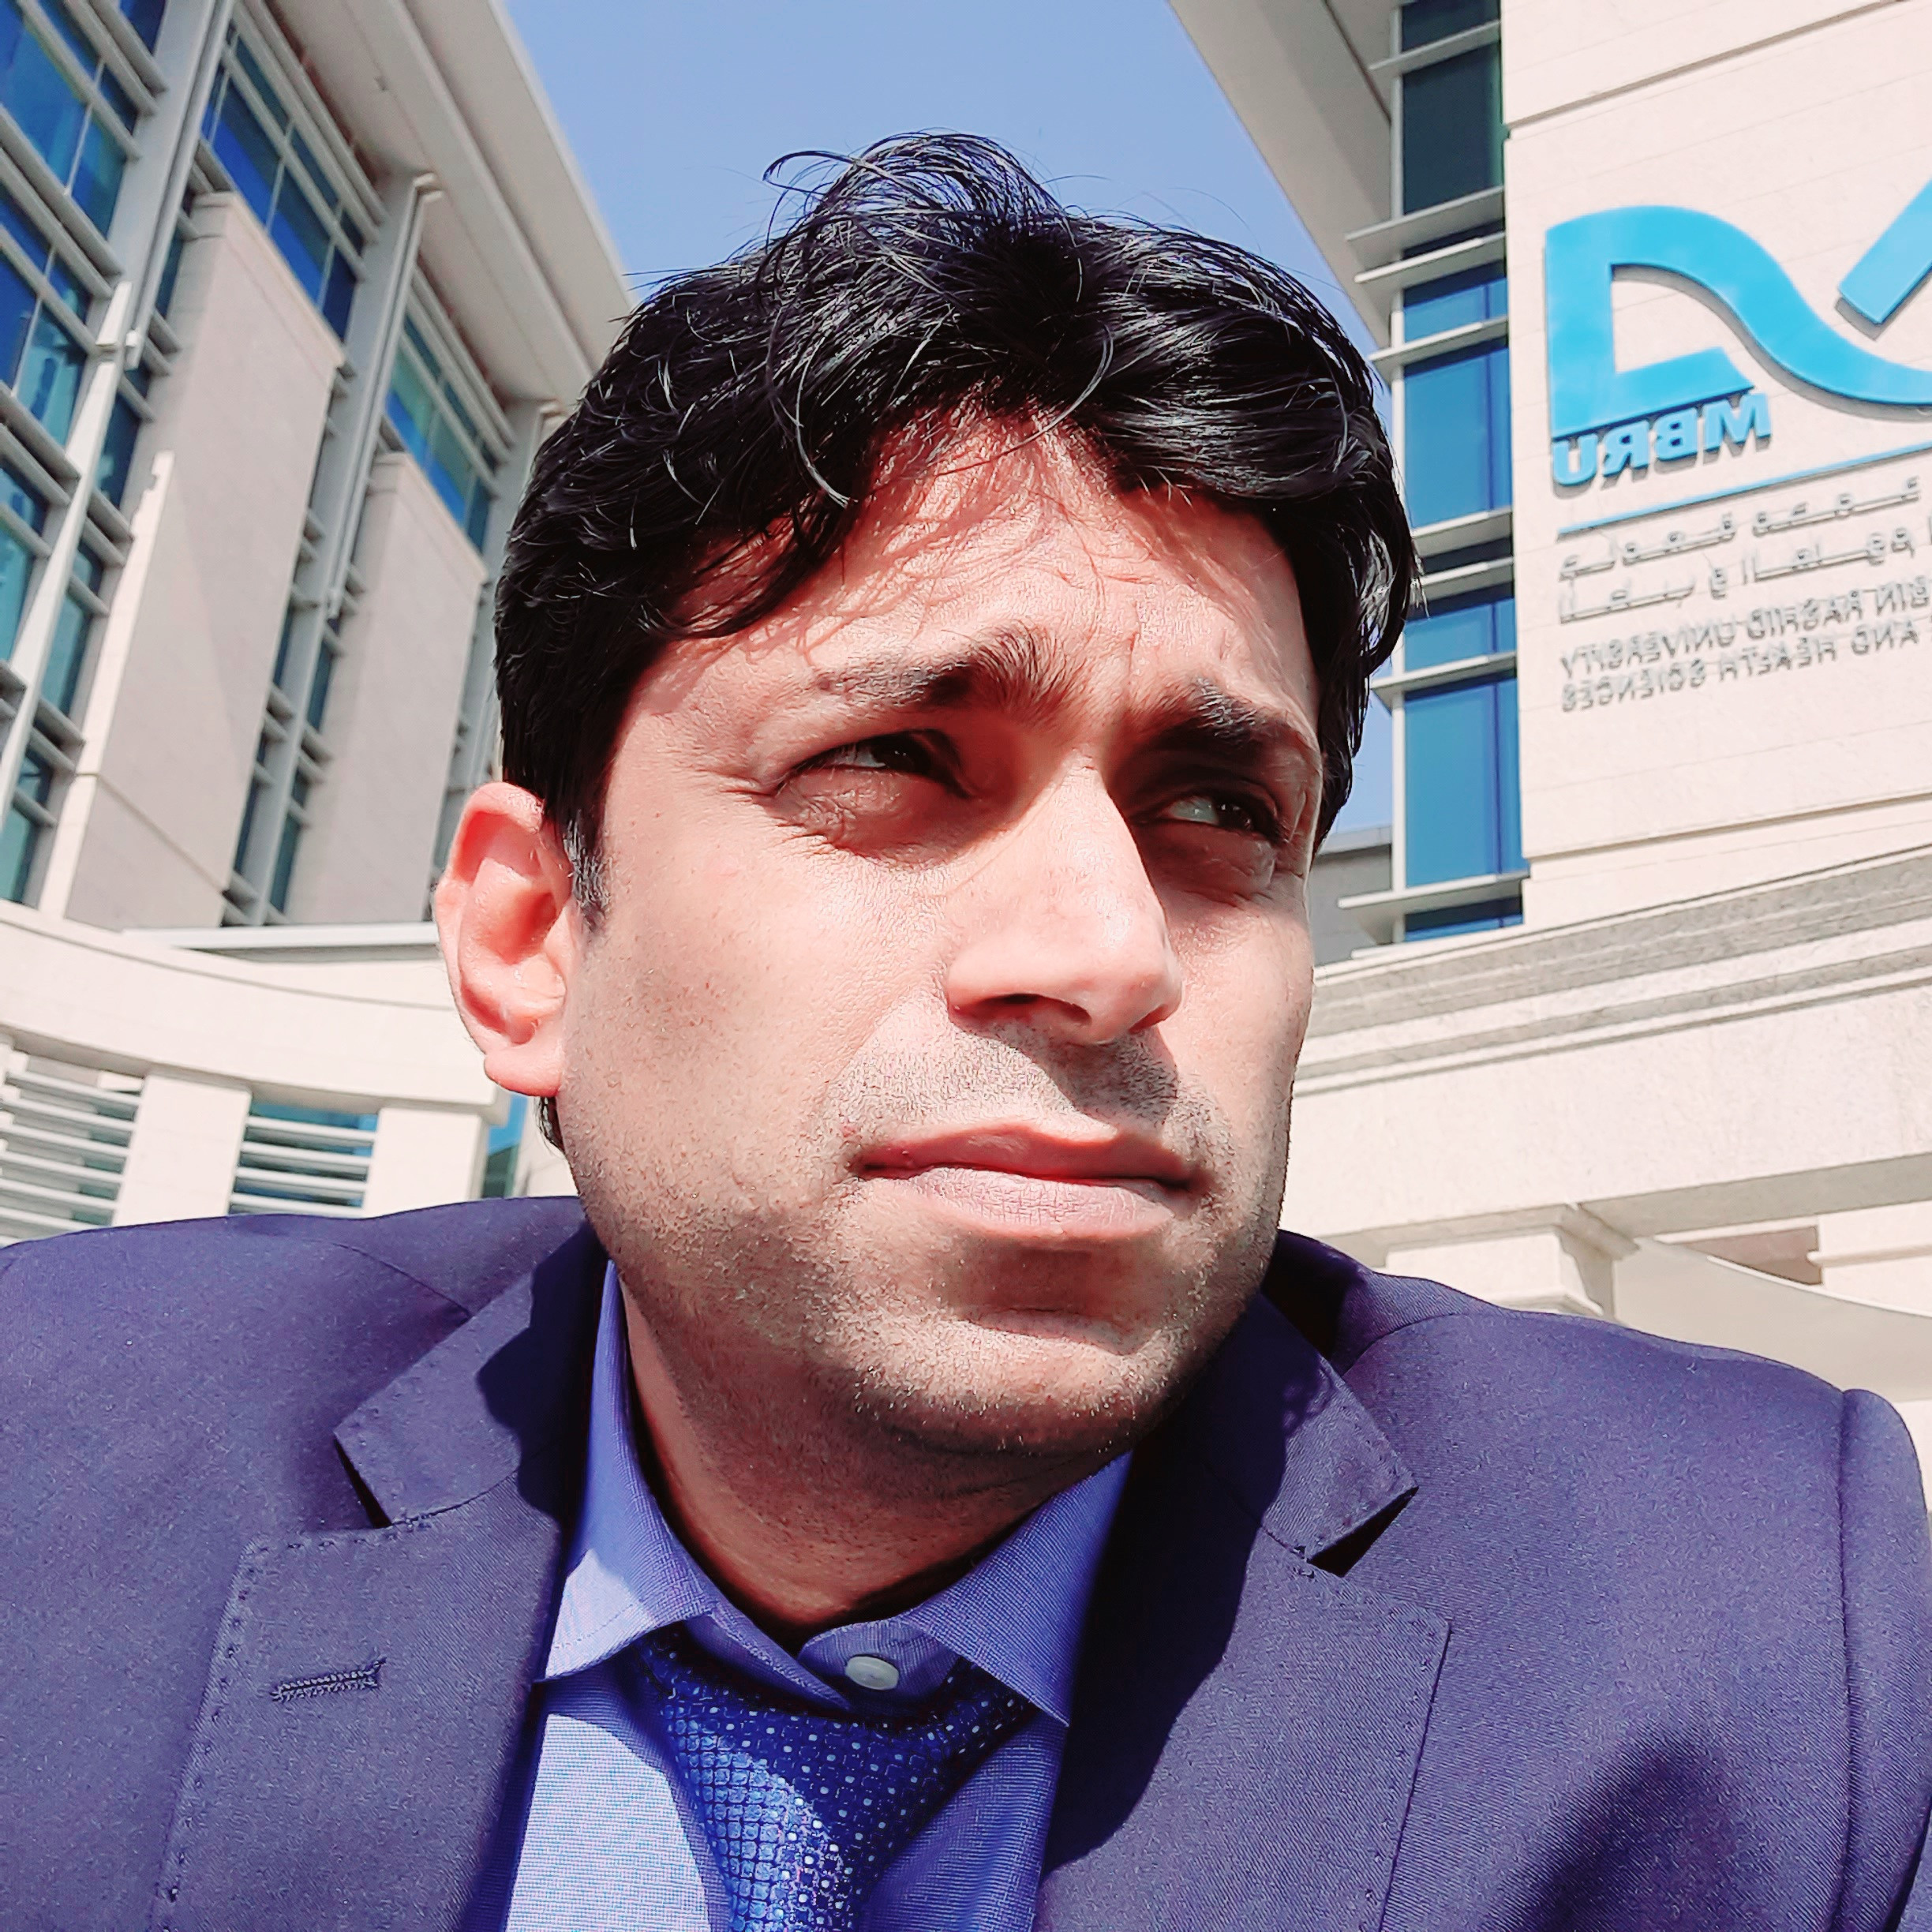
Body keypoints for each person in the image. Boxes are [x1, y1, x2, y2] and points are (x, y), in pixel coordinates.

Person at [2, 134, 1927, 1932]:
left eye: (1220, 811)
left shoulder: (1764, 1624)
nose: (1107, 953)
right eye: (897, 762)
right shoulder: (54, 1459)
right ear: (530, 945)